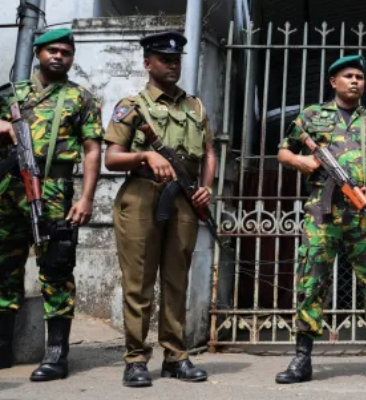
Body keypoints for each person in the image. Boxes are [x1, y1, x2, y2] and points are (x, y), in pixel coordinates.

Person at [275, 54, 366, 386]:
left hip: (362, 214)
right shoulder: (311, 116)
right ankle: (302, 358)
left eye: (360, 76)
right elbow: (283, 151)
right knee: (311, 282)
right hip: (322, 214)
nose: (355, 81)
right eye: (348, 76)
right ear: (334, 82)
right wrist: (302, 162)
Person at [104, 31, 215, 387]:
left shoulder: (195, 106)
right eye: (164, 59)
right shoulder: (131, 105)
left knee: (176, 281)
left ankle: (176, 356)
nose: (172, 64)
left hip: (183, 198)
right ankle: (136, 359)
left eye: (176, 59)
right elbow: (111, 157)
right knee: (138, 281)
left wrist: (206, 189)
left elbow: (209, 152)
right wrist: (144, 154)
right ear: (147, 63)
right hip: (141, 195)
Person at [0, 28, 103, 380]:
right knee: (3, 270)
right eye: (52, 51)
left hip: (56, 193)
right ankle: (2, 350)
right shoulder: (10, 94)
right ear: (38, 53)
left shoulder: (80, 98)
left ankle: (56, 356)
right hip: (7, 191)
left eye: (66, 52)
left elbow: (93, 149)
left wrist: (87, 196)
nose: (59, 56)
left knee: (57, 269)